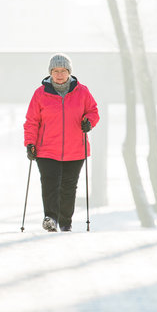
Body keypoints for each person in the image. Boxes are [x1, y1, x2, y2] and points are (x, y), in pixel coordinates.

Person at [24, 53, 99, 232]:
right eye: (55, 71)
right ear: (50, 72)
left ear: (69, 72)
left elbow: (93, 111)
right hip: (46, 149)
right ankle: (51, 218)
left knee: (68, 186)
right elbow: (32, 121)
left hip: (75, 149)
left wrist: (89, 121)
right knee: (50, 183)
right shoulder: (40, 93)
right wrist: (30, 143)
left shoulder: (82, 91)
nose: (59, 74)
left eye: (63, 70)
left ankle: (66, 222)